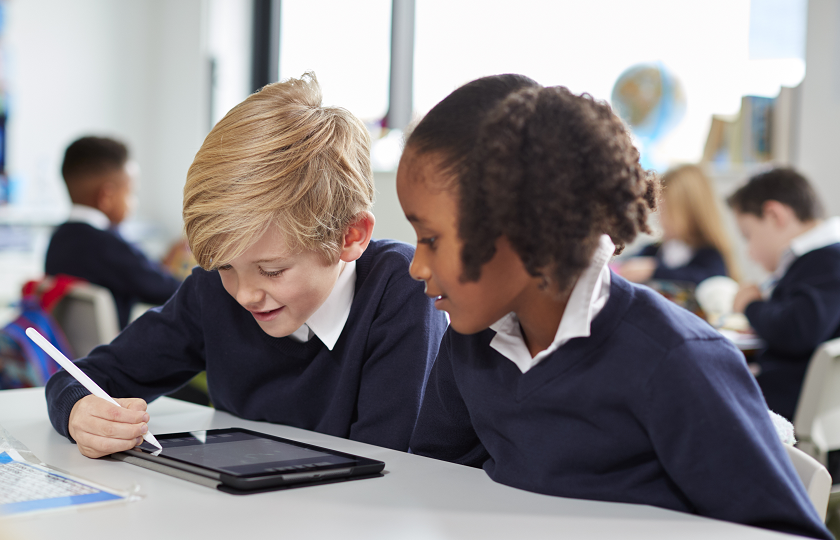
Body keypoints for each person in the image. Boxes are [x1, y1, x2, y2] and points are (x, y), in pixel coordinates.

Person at [398, 75, 830, 539]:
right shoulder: (471, 342)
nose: (416, 267)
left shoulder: (676, 362)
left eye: (431, 239)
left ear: (525, 227)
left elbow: (786, 531)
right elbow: (433, 485)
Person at [45, 73, 448, 458]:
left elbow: (386, 466)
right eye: (224, 267)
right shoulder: (212, 292)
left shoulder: (402, 287)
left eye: (272, 271)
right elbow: (78, 377)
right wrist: (79, 411)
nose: (244, 294)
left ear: (349, 236)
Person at [729, 168, 840, 421]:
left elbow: (798, 329)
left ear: (774, 215)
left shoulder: (827, 259)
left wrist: (751, 305)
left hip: (792, 407)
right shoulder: (817, 261)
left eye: (748, 235)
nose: (749, 251)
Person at [45, 136, 182, 329]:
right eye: (131, 192)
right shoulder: (108, 245)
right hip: (112, 356)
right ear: (106, 197)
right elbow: (173, 291)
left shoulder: (58, 239)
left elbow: (139, 275)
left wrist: (161, 266)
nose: (135, 202)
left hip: (70, 355)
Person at [617, 164, 739, 285]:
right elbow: (625, 264)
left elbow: (711, 280)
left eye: (667, 211)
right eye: (660, 211)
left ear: (690, 211)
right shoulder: (655, 250)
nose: (660, 219)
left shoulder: (711, 256)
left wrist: (655, 271)